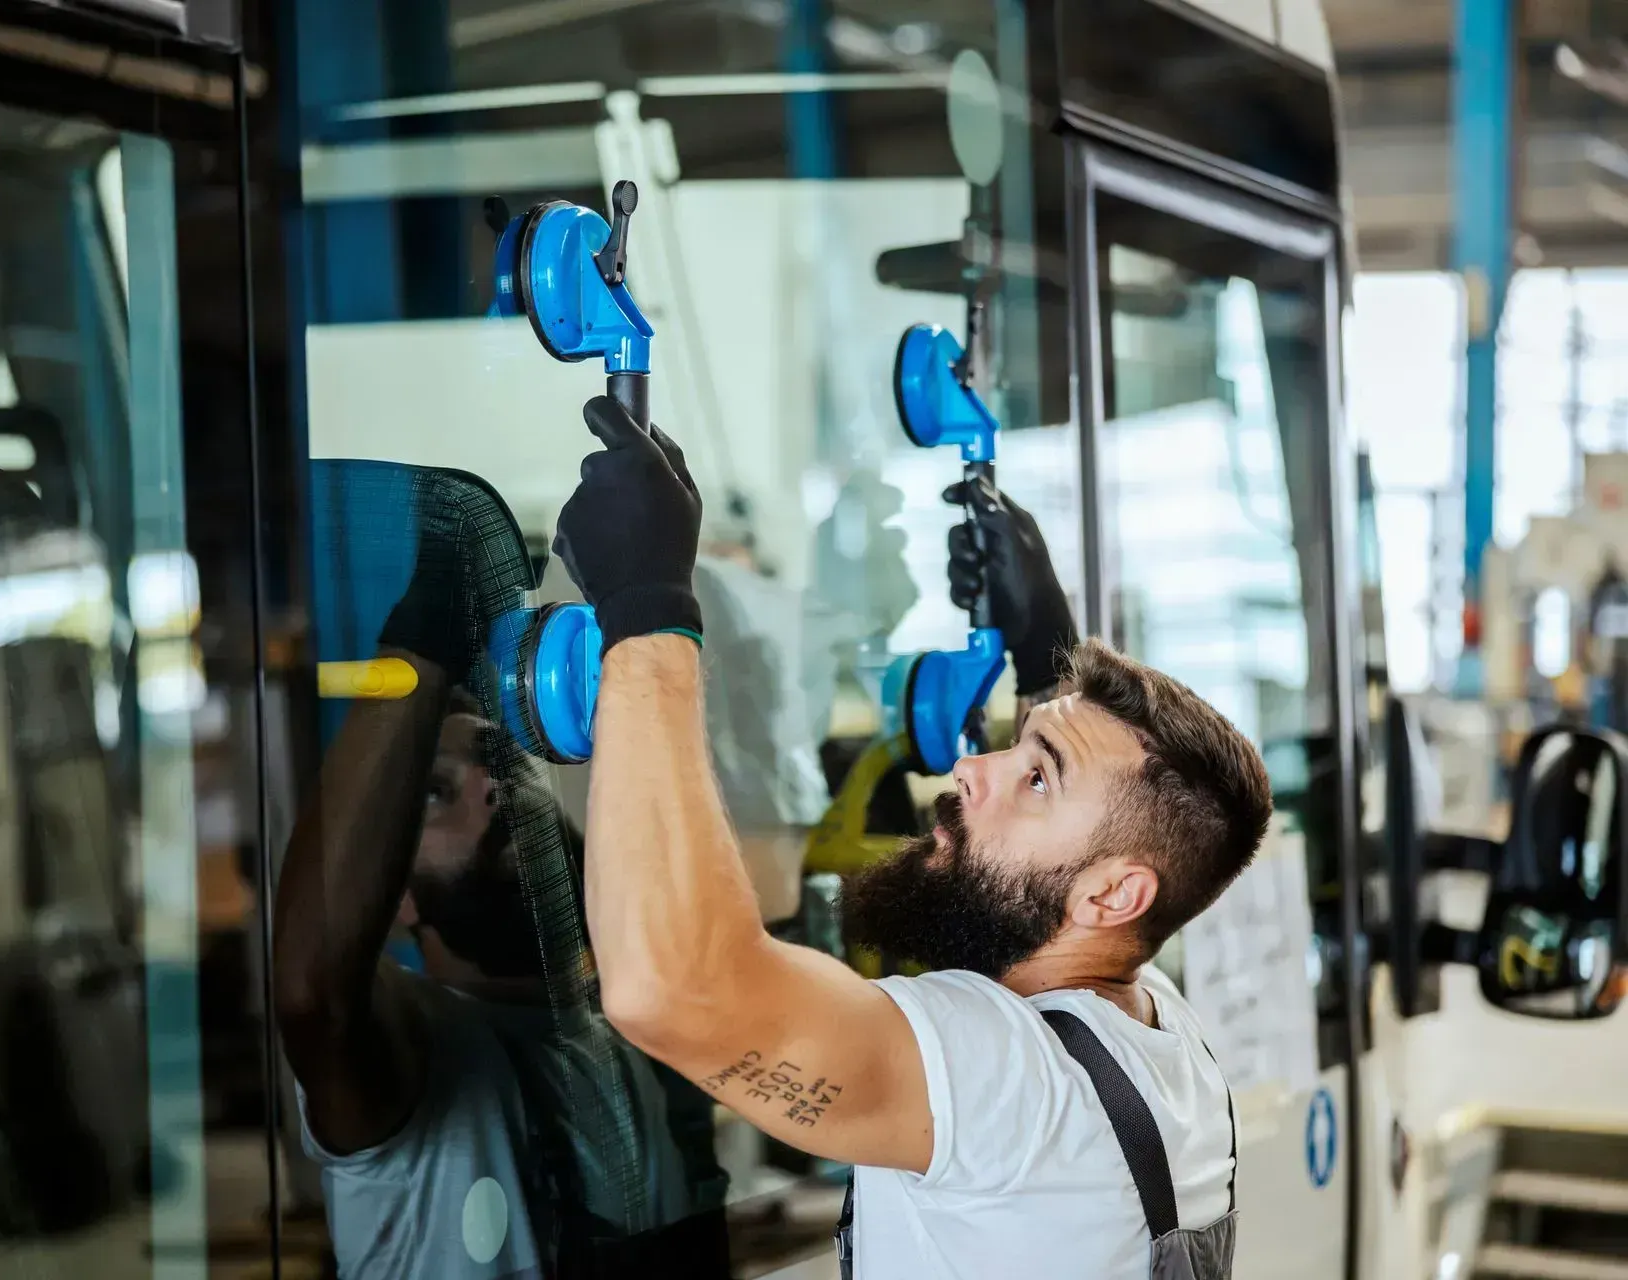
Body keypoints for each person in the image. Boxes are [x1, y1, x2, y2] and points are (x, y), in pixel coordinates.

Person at [549, 396, 1273, 1279]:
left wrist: (647, 609)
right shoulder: (1164, 1036)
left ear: (1114, 895)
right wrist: (1046, 642)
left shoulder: (1006, 1079)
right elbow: (1103, 829)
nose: (972, 768)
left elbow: (673, 989)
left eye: (1035, 774)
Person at [272, 479, 718, 1280]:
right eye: (439, 794)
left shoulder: (634, 1028)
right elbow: (313, 994)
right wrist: (422, 638)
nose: (494, 787)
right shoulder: (416, 1051)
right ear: (393, 895)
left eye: (500, 761)